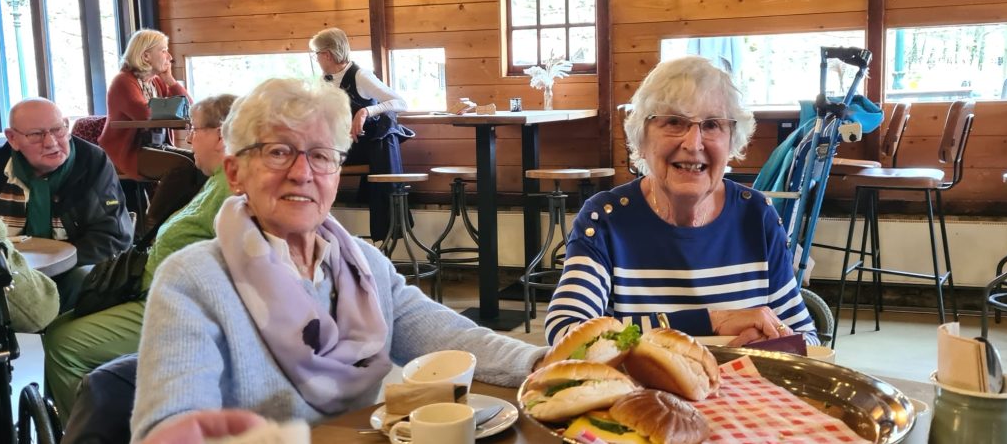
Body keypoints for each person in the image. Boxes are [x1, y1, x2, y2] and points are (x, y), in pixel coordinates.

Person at [130, 78, 544, 442]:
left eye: (322, 155)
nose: (302, 172)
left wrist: (542, 361)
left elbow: (447, 335)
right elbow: (173, 424)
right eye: (278, 152)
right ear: (235, 173)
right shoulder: (193, 280)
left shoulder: (362, 265)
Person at [544, 57, 818, 348]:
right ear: (642, 139)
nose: (693, 144)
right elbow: (567, 334)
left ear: (731, 142)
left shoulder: (756, 216)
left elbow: (808, 340)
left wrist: (773, 345)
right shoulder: (606, 219)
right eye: (674, 122)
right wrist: (711, 322)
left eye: (712, 125)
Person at [43, 94, 238, 423]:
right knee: (58, 323)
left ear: (220, 135)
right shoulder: (215, 181)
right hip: (154, 289)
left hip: (184, 306)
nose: (189, 138)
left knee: (64, 345)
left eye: (194, 129)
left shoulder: (231, 188)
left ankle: (89, 432)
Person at [0, 98, 133, 311]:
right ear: (12, 138)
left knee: (78, 281)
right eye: (36, 134)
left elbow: (112, 237)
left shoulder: (91, 163)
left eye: (58, 129)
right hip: (5, 271)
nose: (51, 142)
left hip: (72, 269)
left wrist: (55, 263)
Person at [310, 27, 414, 240]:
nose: (316, 59)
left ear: (327, 54)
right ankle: (313, 229)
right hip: (336, 146)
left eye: (316, 55)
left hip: (360, 146)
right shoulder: (323, 80)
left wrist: (367, 111)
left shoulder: (360, 75)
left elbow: (400, 102)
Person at [99, 28, 203, 234]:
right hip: (129, 152)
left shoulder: (155, 82)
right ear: (146, 56)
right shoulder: (123, 81)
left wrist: (170, 80)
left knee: (199, 161)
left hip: (155, 146)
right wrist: (169, 108)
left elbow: (190, 109)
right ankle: (154, 222)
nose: (169, 56)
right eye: (163, 50)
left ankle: (179, 216)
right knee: (181, 166)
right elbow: (146, 115)